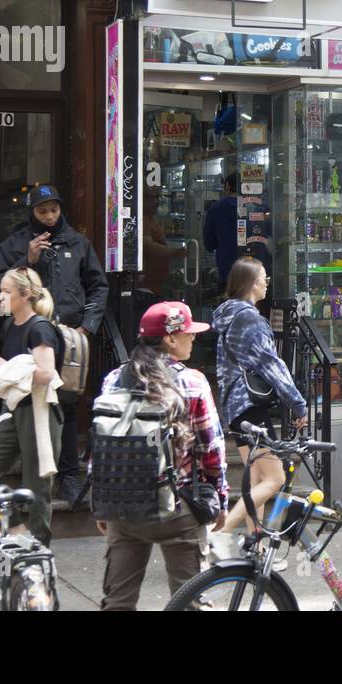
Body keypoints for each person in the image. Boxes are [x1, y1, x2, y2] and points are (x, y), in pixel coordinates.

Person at [96, 301, 228, 610]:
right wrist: (220, 499)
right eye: (188, 333)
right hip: (176, 508)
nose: (193, 339)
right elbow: (210, 450)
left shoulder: (114, 379)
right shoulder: (192, 382)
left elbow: (102, 442)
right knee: (189, 601)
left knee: (117, 602)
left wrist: (102, 502)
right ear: (170, 339)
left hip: (122, 506)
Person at [0, 183, 108, 504]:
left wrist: (87, 326)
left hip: (69, 336)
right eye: (42, 211)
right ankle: (15, 471)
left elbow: (98, 286)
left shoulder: (78, 243)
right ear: (32, 211)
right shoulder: (14, 243)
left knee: (68, 403)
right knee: (21, 400)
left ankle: (69, 476)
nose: (49, 216)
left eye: (54, 210)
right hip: (29, 335)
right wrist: (27, 259)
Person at [213, 257, 307, 547]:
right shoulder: (250, 319)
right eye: (264, 277)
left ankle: (257, 545)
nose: (267, 283)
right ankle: (218, 534)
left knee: (256, 481)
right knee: (275, 479)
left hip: (234, 406)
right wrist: (298, 403)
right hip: (250, 407)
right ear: (251, 283)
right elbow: (271, 363)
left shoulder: (229, 315)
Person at [0, 267, 65, 546]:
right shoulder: (9, 325)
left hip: (38, 410)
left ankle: (39, 547)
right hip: (12, 407)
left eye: (7, 291)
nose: (0, 297)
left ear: (25, 295)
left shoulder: (39, 327)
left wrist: (7, 367)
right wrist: (2, 369)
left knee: (38, 486)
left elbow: (46, 372)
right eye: (0, 291)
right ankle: (16, 529)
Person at [203, 173, 241, 295]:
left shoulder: (216, 208)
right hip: (256, 273)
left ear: (227, 186)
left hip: (227, 272)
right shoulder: (257, 207)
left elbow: (209, 244)